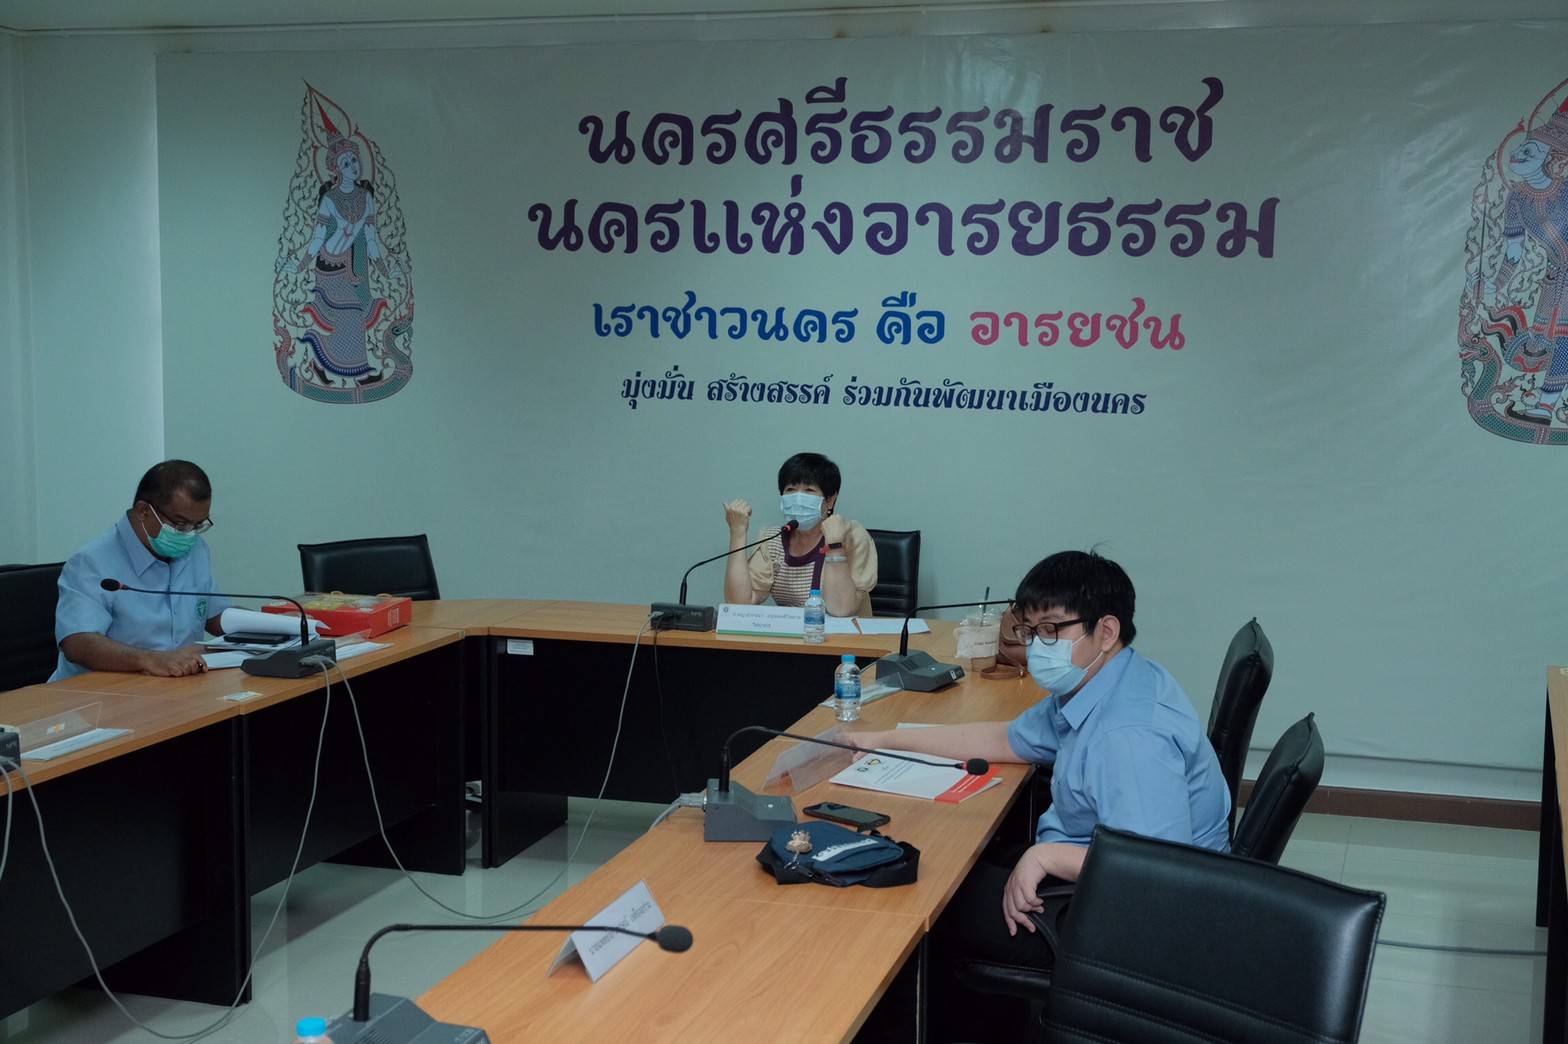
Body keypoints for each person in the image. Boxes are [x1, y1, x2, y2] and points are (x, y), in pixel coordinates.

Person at [847, 550, 1229, 1041]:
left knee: (921, 904)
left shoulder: (1128, 736)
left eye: (1051, 630)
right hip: (1101, 874)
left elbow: (1156, 868)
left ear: (1106, 632)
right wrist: (886, 740)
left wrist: (1047, 856)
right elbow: (1009, 739)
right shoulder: (1106, 682)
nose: (1035, 648)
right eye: (1030, 631)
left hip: (1138, 923)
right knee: (949, 866)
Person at [50, 460, 229, 680]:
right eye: (181, 524)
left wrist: (262, 626)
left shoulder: (196, 550)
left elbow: (213, 615)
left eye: (198, 525)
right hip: (103, 693)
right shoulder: (92, 562)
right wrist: (151, 659)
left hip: (173, 686)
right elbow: (77, 642)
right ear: (144, 511)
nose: (190, 534)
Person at [722, 452, 878, 617]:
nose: (797, 498)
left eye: (809, 490)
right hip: (792, 632)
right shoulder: (772, 540)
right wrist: (738, 533)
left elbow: (840, 609)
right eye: (790, 489)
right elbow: (740, 604)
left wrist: (834, 545)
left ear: (831, 499)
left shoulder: (852, 535)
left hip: (847, 633)